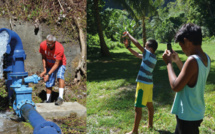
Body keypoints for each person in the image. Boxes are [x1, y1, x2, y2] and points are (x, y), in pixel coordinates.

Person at [162, 23, 211, 134]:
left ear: (187, 42)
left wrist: (168, 63)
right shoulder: (205, 58)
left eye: (181, 45)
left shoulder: (192, 60)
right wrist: (178, 61)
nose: (182, 49)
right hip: (196, 111)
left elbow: (175, 86)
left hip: (187, 116)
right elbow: (190, 76)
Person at [123, 31, 158, 134]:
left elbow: (137, 45)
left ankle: (135, 131)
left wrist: (129, 35)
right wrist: (128, 47)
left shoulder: (149, 54)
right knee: (149, 105)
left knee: (138, 108)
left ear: (150, 49)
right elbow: (137, 54)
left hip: (142, 84)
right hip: (149, 84)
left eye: (146, 46)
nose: (144, 48)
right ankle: (150, 125)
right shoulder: (152, 57)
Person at [39, 34, 67, 105]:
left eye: (50, 44)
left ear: (54, 43)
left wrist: (48, 74)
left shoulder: (59, 48)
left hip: (60, 64)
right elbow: (43, 58)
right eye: (47, 43)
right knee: (48, 80)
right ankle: (48, 100)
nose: (48, 45)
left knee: (60, 76)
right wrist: (45, 70)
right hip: (49, 63)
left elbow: (57, 64)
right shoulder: (43, 45)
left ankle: (60, 98)